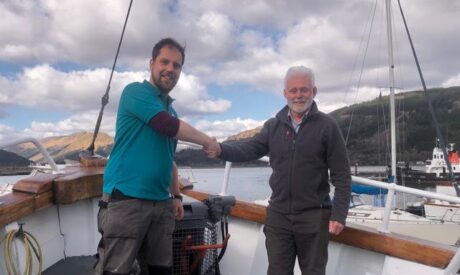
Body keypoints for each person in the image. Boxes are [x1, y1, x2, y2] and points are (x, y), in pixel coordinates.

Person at [207, 66, 351, 275]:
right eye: (293, 90)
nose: (299, 95)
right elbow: (249, 149)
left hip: (314, 216)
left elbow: (342, 175)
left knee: (313, 271)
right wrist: (220, 149)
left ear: (314, 91)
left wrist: (339, 214)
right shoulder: (273, 126)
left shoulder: (327, 126)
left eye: (304, 89)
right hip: (278, 216)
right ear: (285, 93)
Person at [94, 38, 221, 275]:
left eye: (177, 65)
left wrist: (175, 196)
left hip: (161, 205)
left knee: (161, 269)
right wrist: (208, 141)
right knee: (116, 270)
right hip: (126, 200)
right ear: (151, 63)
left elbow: (169, 159)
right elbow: (167, 126)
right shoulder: (135, 92)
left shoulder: (170, 109)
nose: (170, 69)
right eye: (165, 62)